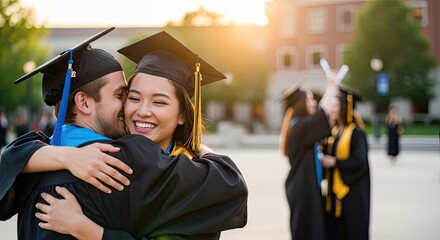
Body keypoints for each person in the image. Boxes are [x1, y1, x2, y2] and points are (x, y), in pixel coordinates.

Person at [0, 29, 248, 239]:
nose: (138, 110)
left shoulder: (30, 166)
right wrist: (199, 147)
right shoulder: (125, 161)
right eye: (126, 96)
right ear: (84, 102)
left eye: (126, 95)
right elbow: (230, 185)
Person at [278, 74, 338, 240]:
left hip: (304, 186)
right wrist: (331, 86)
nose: (314, 103)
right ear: (301, 104)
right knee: (307, 232)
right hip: (302, 189)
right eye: (310, 99)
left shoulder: (299, 125)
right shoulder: (299, 127)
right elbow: (323, 114)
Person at [320, 86, 371, 240]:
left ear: (345, 107)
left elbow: (359, 161)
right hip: (335, 193)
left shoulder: (357, 133)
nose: (333, 108)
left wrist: (334, 162)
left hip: (352, 192)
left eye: (336, 105)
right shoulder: (335, 132)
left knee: (352, 231)